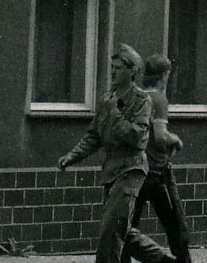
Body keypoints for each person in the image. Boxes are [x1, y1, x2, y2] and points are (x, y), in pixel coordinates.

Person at [57, 45, 175, 263]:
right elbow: (94, 135)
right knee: (120, 229)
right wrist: (72, 156)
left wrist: (114, 111)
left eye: (118, 68)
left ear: (133, 71)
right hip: (111, 171)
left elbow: (137, 136)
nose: (112, 72)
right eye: (111, 67)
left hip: (131, 170)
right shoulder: (107, 99)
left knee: (111, 231)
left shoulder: (141, 101)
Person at [123, 54, 192, 263]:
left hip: (134, 171)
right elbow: (161, 136)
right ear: (164, 75)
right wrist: (176, 140)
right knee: (176, 226)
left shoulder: (134, 98)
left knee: (127, 227)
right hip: (157, 172)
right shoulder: (159, 100)